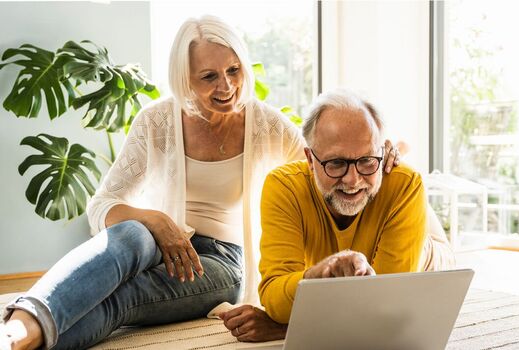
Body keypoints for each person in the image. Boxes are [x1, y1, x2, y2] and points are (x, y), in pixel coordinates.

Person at [0, 16, 402, 350]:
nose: (225, 87)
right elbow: (103, 204)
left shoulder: (265, 124)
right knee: (130, 238)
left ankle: (16, 338)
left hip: (222, 261)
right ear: (185, 78)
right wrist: (157, 222)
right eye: (208, 76)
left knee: (124, 300)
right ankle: (17, 329)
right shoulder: (157, 122)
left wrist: (389, 149)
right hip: (157, 242)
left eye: (233, 71)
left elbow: (326, 165)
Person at [218, 89, 455, 342]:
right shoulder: (284, 186)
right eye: (336, 163)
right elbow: (275, 300)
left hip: (430, 254)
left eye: (366, 160)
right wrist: (320, 274)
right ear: (310, 159)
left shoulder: (405, 184)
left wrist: (285, 329)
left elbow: (385, 310)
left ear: (380, 154)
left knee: (402, 183)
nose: (352, 180)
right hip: (376, 198)